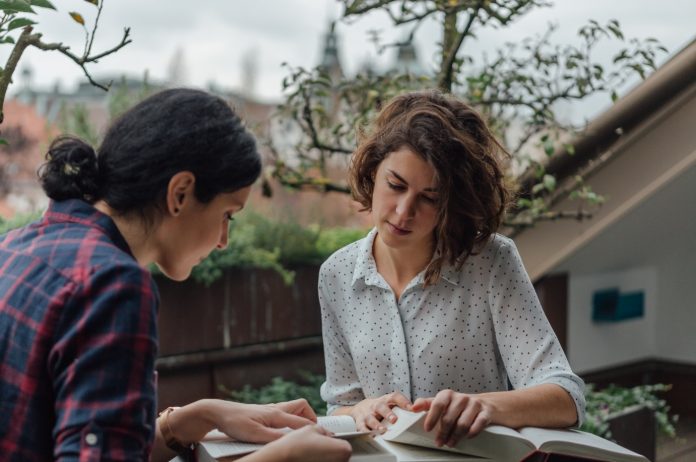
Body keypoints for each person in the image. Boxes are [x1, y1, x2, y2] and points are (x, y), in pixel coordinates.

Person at [0, 88, 351, 462]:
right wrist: (279, 459)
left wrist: (194, 418)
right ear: (180, 193)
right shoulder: (113, 284)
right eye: (227, 215)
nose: (223, 241)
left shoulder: (14, 246)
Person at [319, 90, 586, 449]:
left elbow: (566, 398)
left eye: (429, 198)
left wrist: (485, 406)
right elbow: (341, 403)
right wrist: (360, 410)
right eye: (395, 186)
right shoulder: (336, 275)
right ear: (372, 171)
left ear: (453, 202)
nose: (403, 212)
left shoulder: (491, 262)